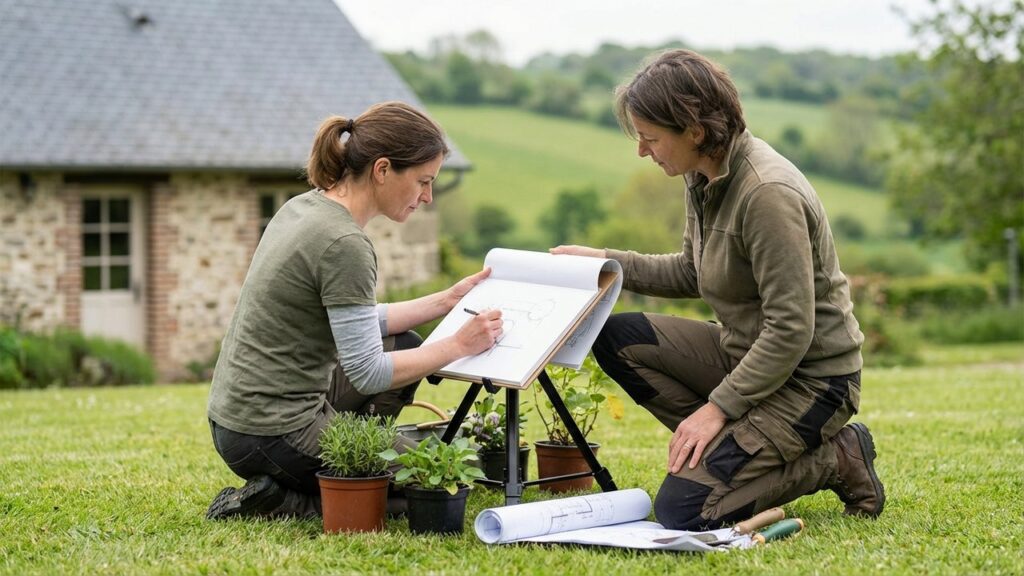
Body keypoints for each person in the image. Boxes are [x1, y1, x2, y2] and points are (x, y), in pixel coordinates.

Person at [552, 50, 885, 530]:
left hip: (814, 383)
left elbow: (791, 329)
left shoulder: (768, 194)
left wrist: (717, 409)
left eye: (650, 138)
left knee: (684, 510)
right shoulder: (703, 174)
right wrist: (604, 265)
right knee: (619, 338)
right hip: (744, 355)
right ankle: (735, 450)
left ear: (694, 130)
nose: (642, 151)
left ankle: (837, 456)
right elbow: (693, 271)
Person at [205, 102, 503, 520]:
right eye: (423, 181)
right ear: (382, 170)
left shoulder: (305, 208)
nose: (428, 196)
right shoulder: (344, 244)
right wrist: (459, 344)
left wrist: (444, 300)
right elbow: (367, 372)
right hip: (271, 432)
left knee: (404, 343)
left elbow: (355, 323)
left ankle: (353, 459)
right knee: (437, 476)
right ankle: (287, 501)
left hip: (237, 421)